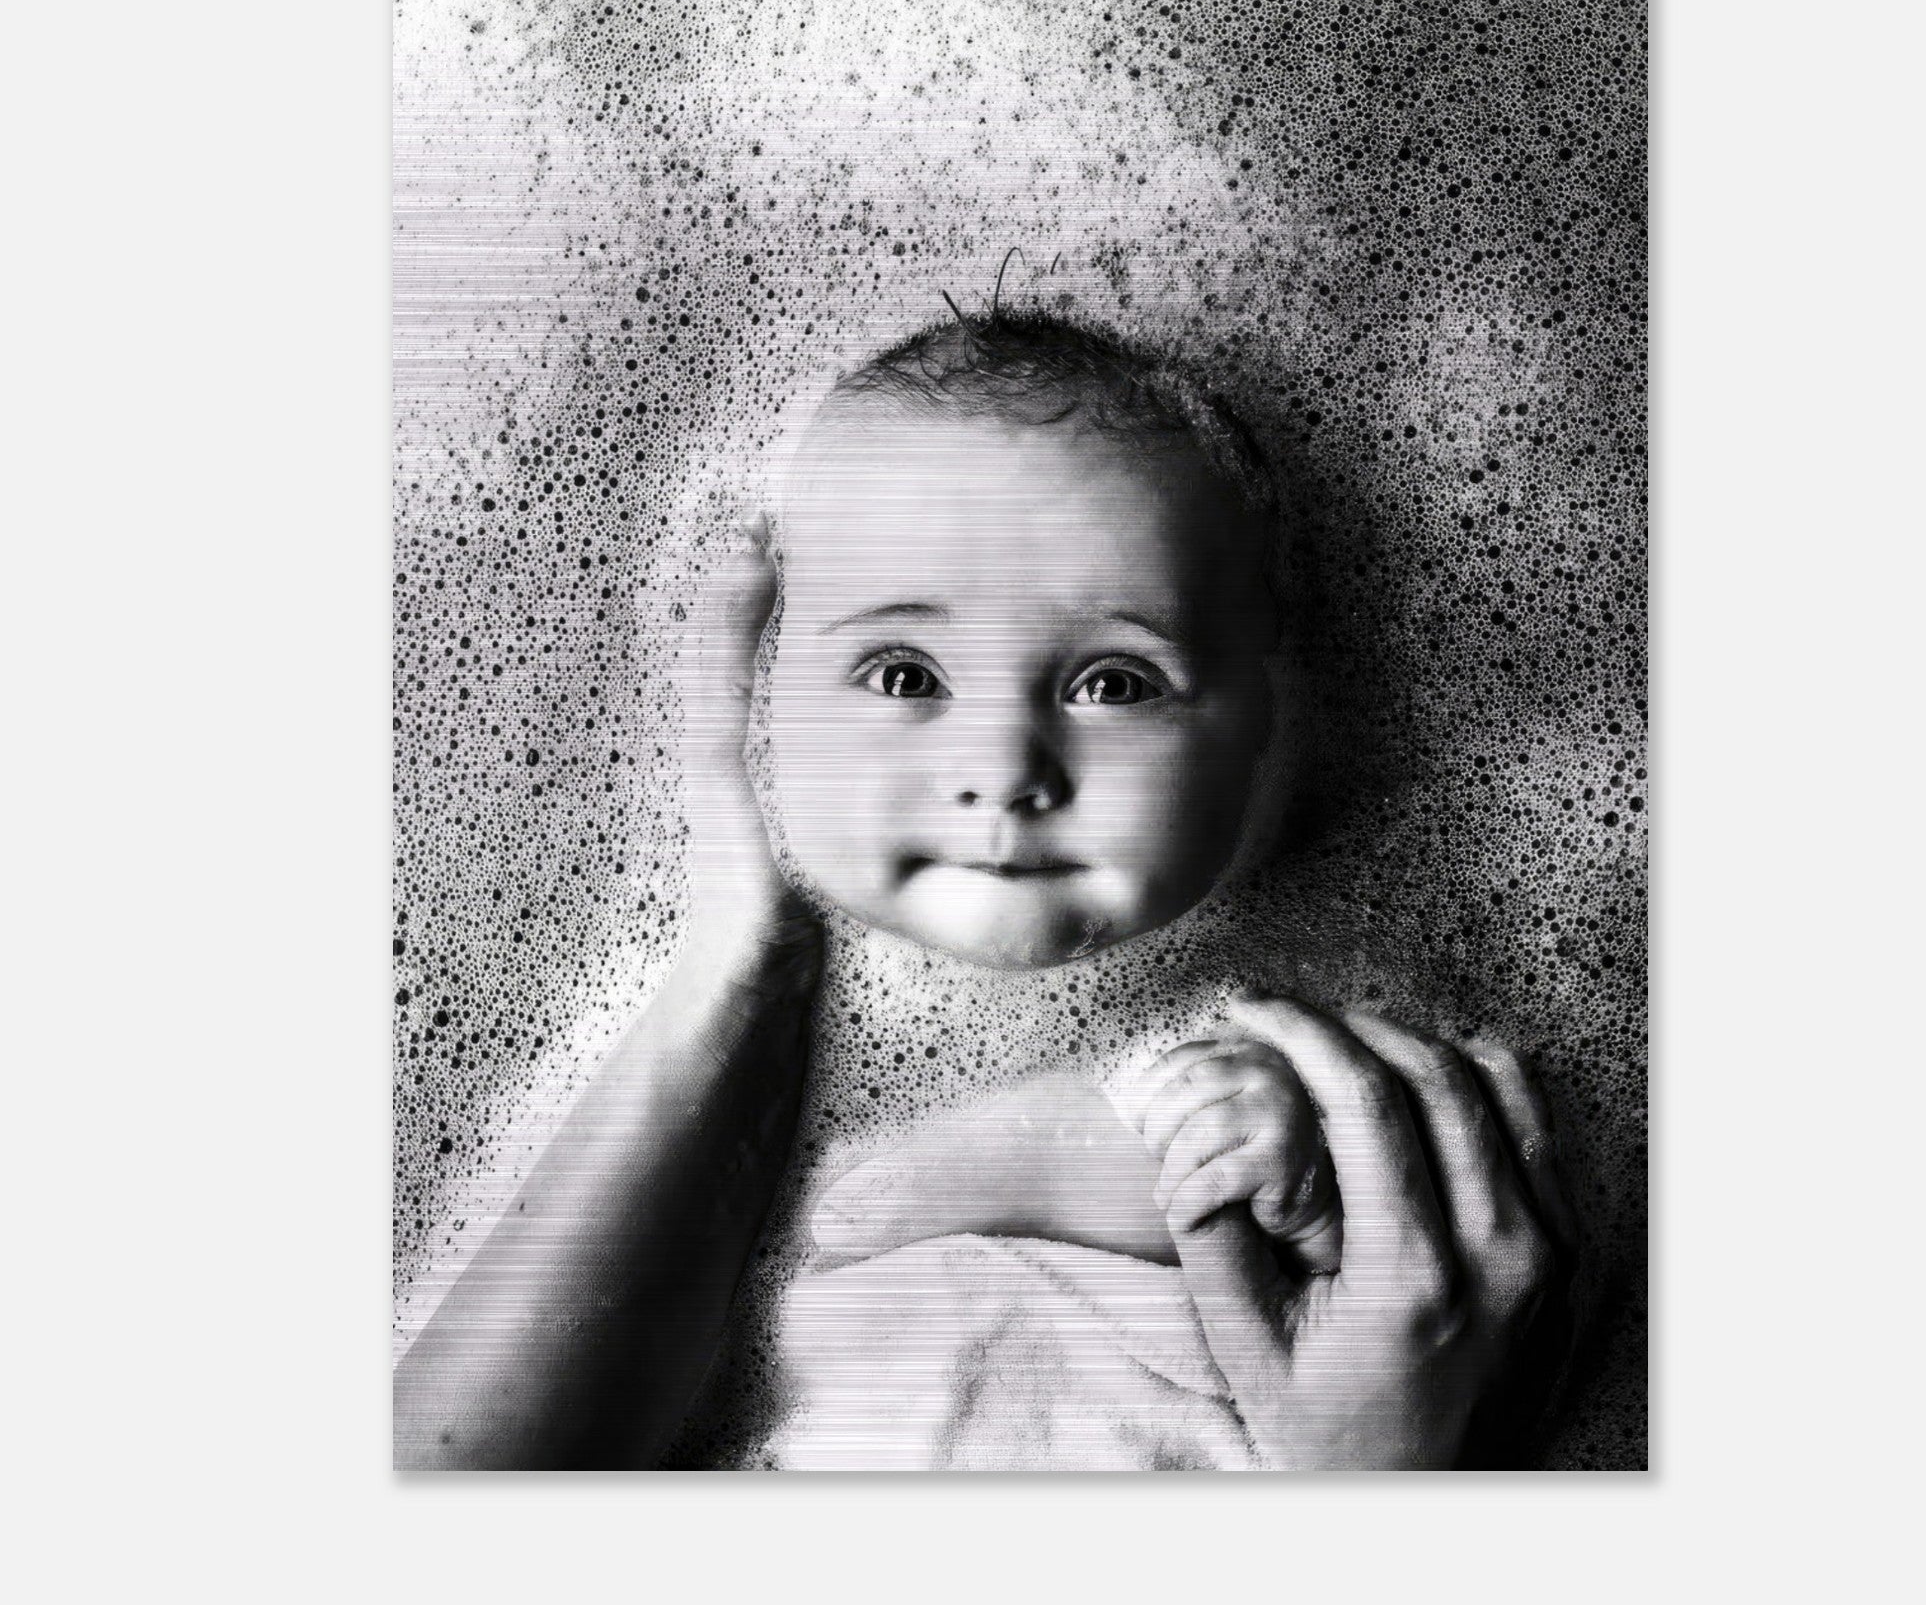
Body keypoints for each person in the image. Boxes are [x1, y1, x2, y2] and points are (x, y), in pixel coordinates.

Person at [394, 309, 1574, 1470]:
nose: (1005, 771)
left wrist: (1283, 1169)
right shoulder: (672, 1095)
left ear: (1268, 717)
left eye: (1113, 683)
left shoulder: (1321, 1054)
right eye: (903, 674)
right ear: (765, 700)